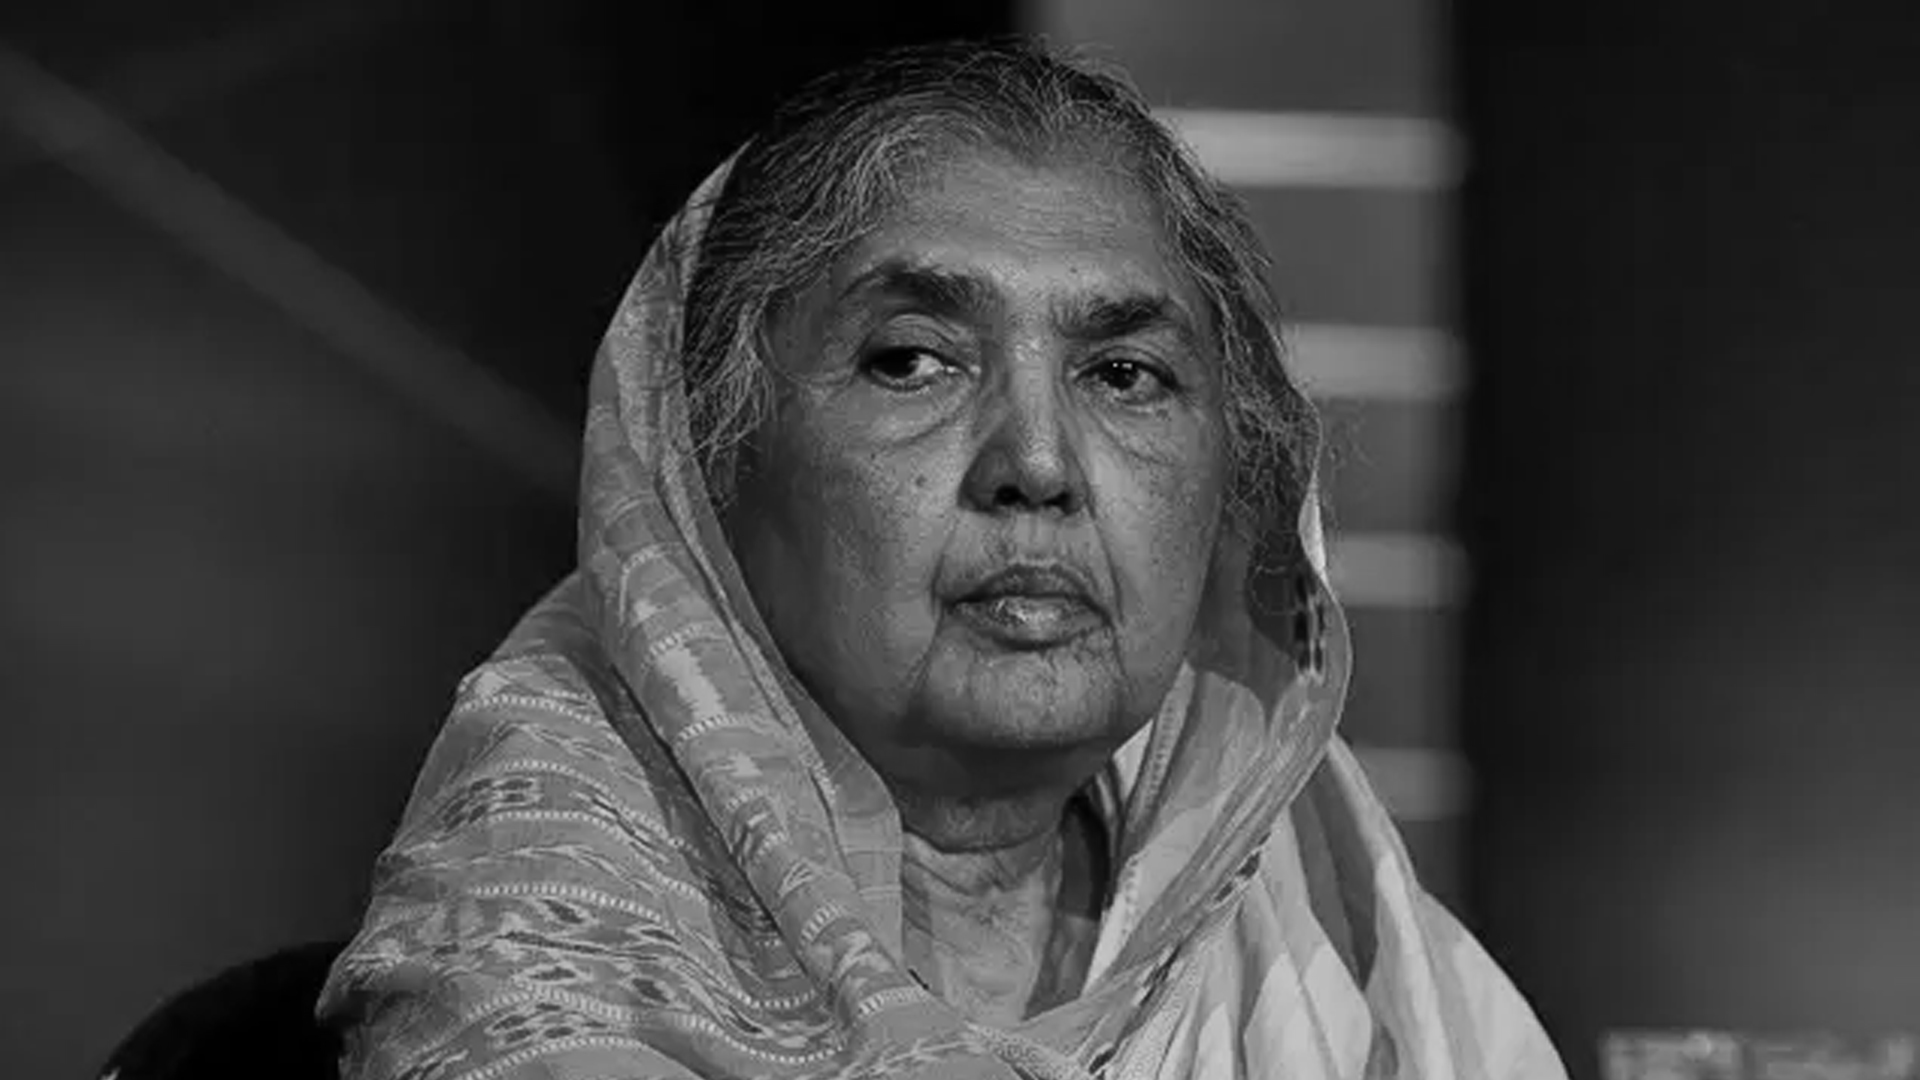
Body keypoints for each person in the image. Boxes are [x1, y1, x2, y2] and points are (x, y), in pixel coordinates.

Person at [317, 40, 1567, 1080]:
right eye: (912, 360)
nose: (1038, 462)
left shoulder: (1316, 914)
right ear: (709, 464)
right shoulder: (553, 925)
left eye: (1124, 374)